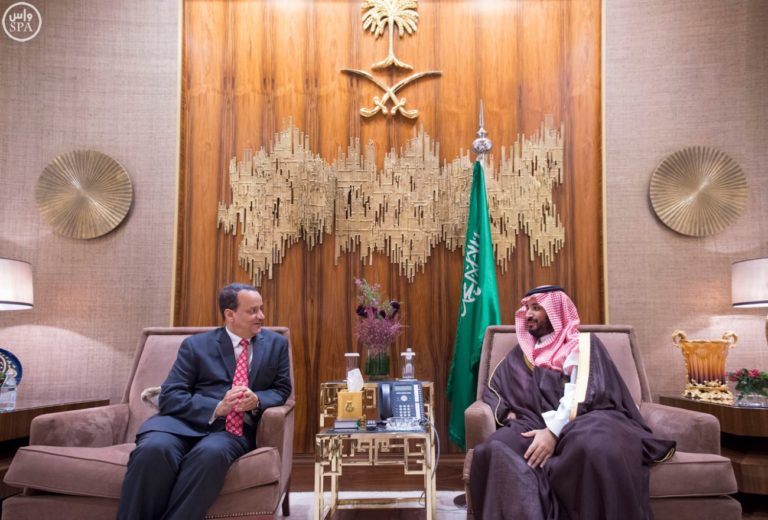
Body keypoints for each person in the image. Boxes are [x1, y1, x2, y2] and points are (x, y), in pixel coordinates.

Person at [469, 285, 675, 520]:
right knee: (493, 448)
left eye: (537, 308)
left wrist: (553, 433)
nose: (528, 314)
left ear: (557, 311)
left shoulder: (582, 345)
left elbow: (582, 392)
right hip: (533, 422)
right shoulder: (523, 354)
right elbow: (496, 390)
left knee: (596, 446)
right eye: (527, 308)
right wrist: (509, 415)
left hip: (587, 418)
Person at [118, 283, 292, 520]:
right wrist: (216, 407)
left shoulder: (275, 344)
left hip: (230, 431)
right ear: (229, 314)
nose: (261, 316)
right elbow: (170, 396)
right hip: (180, 424)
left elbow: (282, 390)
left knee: (210, 455)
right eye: (252, 311)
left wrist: (257, 400)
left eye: (261, 309)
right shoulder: (196, 345)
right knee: (153, 450)